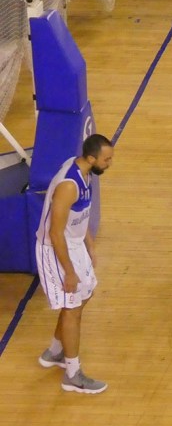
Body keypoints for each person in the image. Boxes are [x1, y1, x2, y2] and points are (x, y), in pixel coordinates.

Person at [35, 134, 114, 394]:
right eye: (106, 159)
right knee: (72, 308)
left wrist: (89, 243)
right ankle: (72, 374)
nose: (109, 164)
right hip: (55, 250)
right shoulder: (69, 185)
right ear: (91, 158)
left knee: (84, 297)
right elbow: (55, 233)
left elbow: (80, 215)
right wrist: (68, 271)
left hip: (74, 244)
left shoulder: (86, 172)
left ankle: (55, 351)